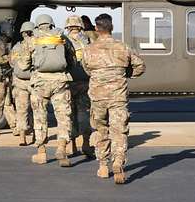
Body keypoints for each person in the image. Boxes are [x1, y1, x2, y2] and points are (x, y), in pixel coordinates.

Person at [82, 13, 146, 184]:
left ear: (96, 28)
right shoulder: (123, 47)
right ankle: (118, 162)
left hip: (97, 98)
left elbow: (86, 69)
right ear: (112, 28)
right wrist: (124, 75)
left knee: (100, 130)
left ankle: (103, 166)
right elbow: (140, 66)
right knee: (119, 131)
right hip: (118, 97)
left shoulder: (89, 49)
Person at [17, 14, 73, 166]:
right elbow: (71, 59)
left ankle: (41, 152)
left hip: (40, 83)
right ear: (51, 24)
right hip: (60, 82)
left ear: (38, 25)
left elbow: (22, 65)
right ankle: (62, 148)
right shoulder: (61, 37)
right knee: (63, 117)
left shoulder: (31, 39)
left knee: (40, 117)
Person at [64, 15, 95, 159]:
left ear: (68, 26)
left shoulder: (63, 40)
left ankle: (72, 146)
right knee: (84, 113)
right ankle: (86, 144)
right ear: (80, 26)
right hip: (84, 82)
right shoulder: (87, 40)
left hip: (68, 82)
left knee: (70, 114)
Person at [9, 21, 35, 146]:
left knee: (21, 110)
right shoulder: (37, 45)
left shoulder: (16, 47)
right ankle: (37, 136)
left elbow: (12, 63)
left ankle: (22, 138)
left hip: (19, 83)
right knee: (37, 109)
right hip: (34, 81)